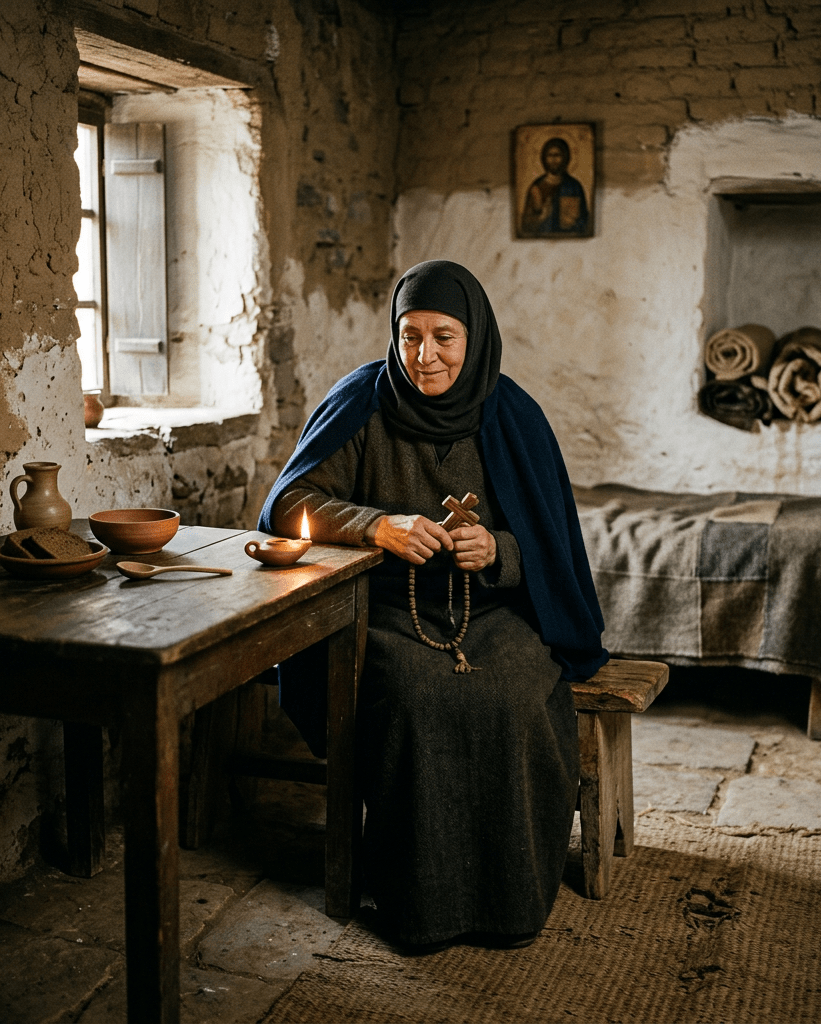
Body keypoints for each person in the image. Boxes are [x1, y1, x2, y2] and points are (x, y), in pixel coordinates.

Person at [258, 260, 607, 953]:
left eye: (443, 336)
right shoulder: (361, 401)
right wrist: (374, 525)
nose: (425, 356)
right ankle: (423, 908)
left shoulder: (514, 415)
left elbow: (552, 539)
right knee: (418, 700)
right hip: (384, 613)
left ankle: (509, 902)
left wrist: (499, 550)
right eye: (410, 336)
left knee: (511, 698)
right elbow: (288, 505)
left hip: (495, 614)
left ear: (474, 337)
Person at [520, 136, 590, 235]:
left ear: (565, 157)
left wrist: (574, 223)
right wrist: (542, 217)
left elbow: (584, 219)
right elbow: (526, 225)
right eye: (550, 155)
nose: (553, 159)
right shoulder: (537, 187)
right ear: (544, 158)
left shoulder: (574, 186)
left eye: (557, 155)